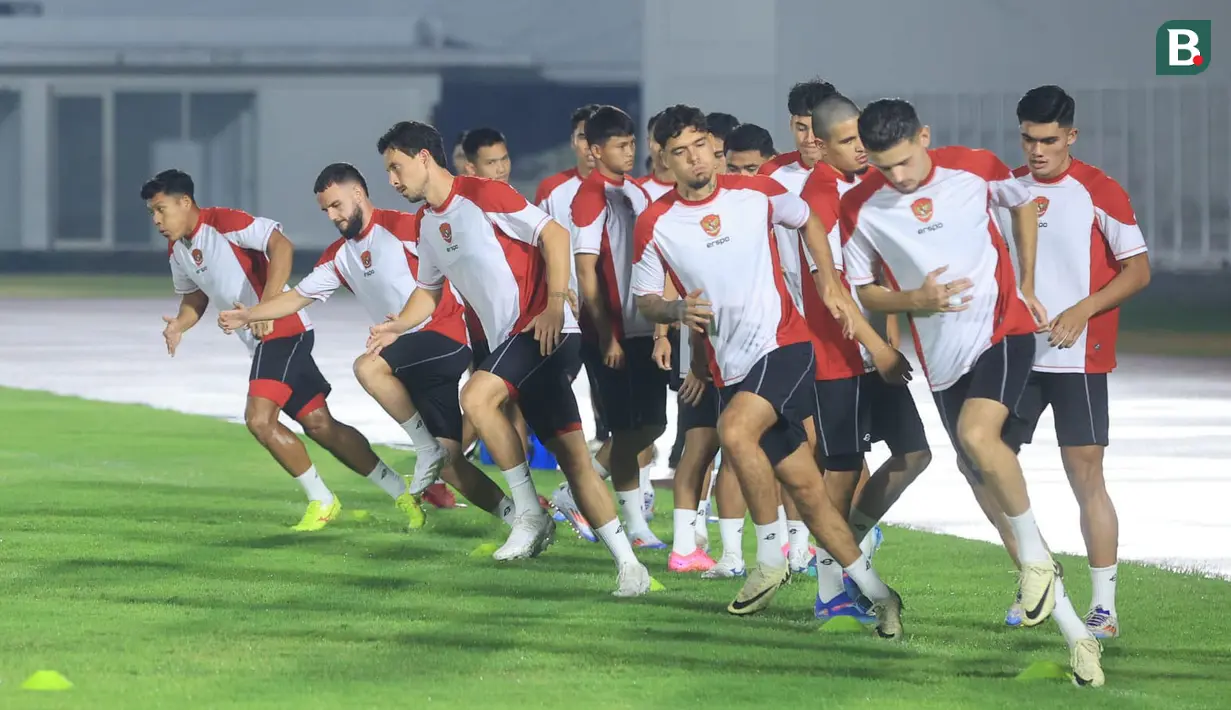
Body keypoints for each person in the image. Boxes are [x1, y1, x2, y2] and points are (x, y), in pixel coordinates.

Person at [842, 98, 1103, 685]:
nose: (900, 178)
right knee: (978, 471)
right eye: (886, 169)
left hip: (1001, 331)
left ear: (925, 137)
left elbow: (1025, 208)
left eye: (907, 161)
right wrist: (916, 301)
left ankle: (1038, 563)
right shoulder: (860, 207)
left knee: (976, 437)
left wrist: (1028, 281)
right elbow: (864, 293)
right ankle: (1076, 636)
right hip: (942, 363)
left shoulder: (976, 167)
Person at [632, 105, 902, 637]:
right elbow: (644, 299)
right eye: (679, 153)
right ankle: (880, 595)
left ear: (713, 145)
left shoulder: (755, 193)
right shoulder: (655, 222)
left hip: (784, 345)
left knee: (734, 432)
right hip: (730, 365)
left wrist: (827, 281)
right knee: (807, 490)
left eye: (700, 146)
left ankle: (771, 558)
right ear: (664, 160)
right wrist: (674, 312)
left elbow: (810, 221)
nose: (694, 159)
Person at [367, 121, 655, 596]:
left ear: (423, 158)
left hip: (544, 332)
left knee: (477, 398)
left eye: (396, 168)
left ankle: (529, 516)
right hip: (512, 345)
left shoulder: (483, 194)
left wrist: (555, 302)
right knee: (575, 462)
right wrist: (397, 324)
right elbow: (427, 291)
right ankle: (631, 568)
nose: (393, 181)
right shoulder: (427, 225)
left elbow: (555, 234)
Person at [218, 162, 518, 530]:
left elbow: (465, 261)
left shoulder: (405, 228)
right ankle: (520, 518)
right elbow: (295, 298)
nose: (332, 216)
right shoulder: (339, 256)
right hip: (407, 358)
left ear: (358, 193)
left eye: (336, 205)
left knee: (367, 366)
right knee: (452, 465)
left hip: (444, 338)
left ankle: (424, 448)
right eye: (325, 210)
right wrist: (249, 315)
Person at [146, 169, 400, 532]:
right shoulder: (179, 250)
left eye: (160, 209)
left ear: (185, 202)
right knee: (320, 424)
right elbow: (195, 297)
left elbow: (281, 245)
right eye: (151, 213)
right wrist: (179, 325)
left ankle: (323, 501)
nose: (156, 220)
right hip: (265, 339)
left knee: (259, 420)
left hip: (284, 329)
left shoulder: (225, 222)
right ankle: (401, 491)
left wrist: (265, 306)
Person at [997, 85, 1150, 638]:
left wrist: (1083, 310)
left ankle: (1104, 608)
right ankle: (1036, 579)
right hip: (1017, 355)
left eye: (1048, 140)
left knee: (1086, 477)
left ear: (1071, 136)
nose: (1037, 150)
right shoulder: (1008, 189)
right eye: (1028, 138)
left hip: (1078, 358)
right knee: (993, 470)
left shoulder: (1098, 190)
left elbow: (1138, 270)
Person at [798, 93, 933, 622]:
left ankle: (840, 548)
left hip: (871, 349)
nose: (861, 148)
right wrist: (876, 346)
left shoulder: (871, 185)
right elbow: (831, 288)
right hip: (837, 354)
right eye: (848, 141)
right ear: (821, 145)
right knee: (842, 468)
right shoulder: (820, 197)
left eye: (862, 137)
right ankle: (831, 589)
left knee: (915, 455)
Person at [567, 105, 673, 554]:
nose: (629, 151)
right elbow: (586, 271)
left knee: (650, 426)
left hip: (643, 328)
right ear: (595, 150)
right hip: (611, 336)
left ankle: (585, 498)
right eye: (619, 144)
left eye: (632, 143)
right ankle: (604, 508)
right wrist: (607, 335)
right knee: (632, 429)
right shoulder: (590, 197)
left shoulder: (632, 191)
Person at [757, 79, 839, 573]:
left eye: (817, 128)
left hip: (843, 330)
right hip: (789, 329)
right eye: (800, 127)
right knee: (800, 439)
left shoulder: (854, 172)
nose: (809, 137)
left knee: (842, 447)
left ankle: (846, 533)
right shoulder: (772, 177)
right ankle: (799, 541)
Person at [639, 110, 676, 201]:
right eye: (657, 140)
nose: (663, 148)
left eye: (668, 140)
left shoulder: (698, 189)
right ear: (649, 143)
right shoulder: (635, 192)